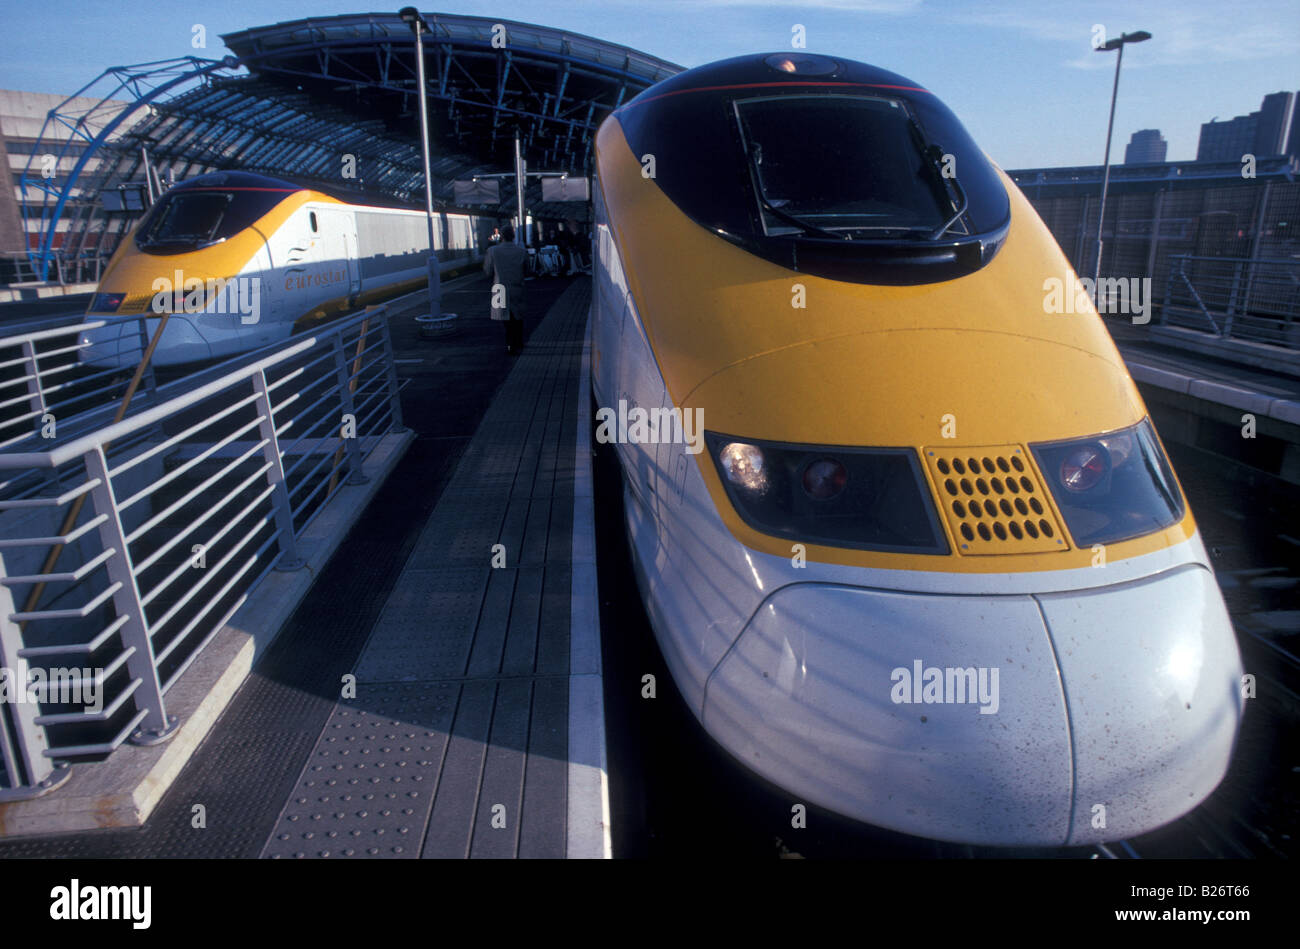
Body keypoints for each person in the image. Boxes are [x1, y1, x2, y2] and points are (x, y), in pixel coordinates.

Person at [483, 224, 528, 354]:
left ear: (501, 237)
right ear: (513, 236)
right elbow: (528, 270)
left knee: (505, 318)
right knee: (518, 316)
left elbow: (487, 271)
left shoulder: (492, 251)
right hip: (517, 287)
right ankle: (518, 341)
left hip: (499, 289)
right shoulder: (522, 251)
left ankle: (510, 344)